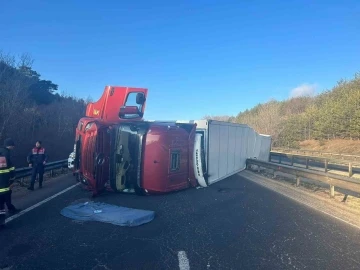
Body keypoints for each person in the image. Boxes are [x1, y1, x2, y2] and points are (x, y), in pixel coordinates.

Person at [0, 138, 16, 228]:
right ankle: (1, 222)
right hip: (4, 183)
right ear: (10, 145)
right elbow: (10, 168)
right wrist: (12, 179)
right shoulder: (6, 154)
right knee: (2, 202)